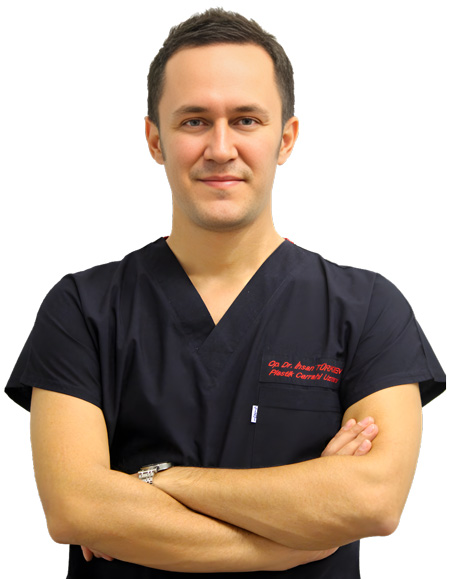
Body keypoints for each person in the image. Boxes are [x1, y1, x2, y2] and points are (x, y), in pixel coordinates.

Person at [4, 8, 445, 578]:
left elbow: (373, 500)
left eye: (246, 120)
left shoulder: (367, 310)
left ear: (285, 138)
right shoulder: (82, 309)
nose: (220, 147)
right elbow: (76, 507)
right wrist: (291, 540)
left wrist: (157, 481)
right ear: (155, 140)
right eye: (193, 121)